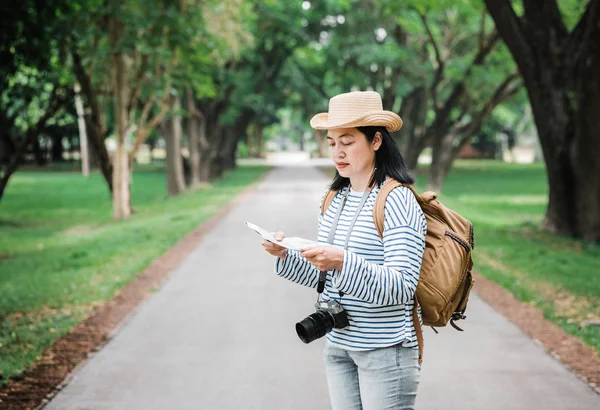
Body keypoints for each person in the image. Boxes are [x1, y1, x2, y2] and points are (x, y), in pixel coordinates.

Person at [262, 90, 427, 410]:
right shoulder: (333, 198)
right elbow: (328, 275)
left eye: (348, 141)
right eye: (332, 142)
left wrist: (341, 260)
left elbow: (403, 287)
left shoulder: (397, 200)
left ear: (376, 141)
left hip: (385, 350)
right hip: (338, 345)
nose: (338, 151)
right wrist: (285, 254)